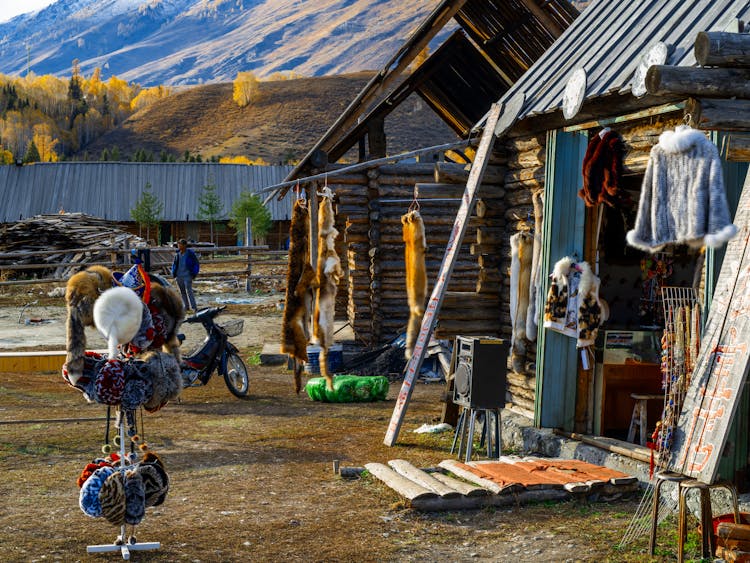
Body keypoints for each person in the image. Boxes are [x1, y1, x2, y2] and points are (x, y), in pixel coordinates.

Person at [171, 239, 200, 313]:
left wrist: (194, 273)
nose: (178, 246)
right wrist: (173, 272)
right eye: (178, 244)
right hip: (179, 275)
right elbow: (174, 264)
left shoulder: (190, 254)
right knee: (182, 291)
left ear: (184, 245)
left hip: (187, 275)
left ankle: (194, 307)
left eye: (180, 244)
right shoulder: (177, 254)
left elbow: (196, 264)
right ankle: (186, 306)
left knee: (189, 291)